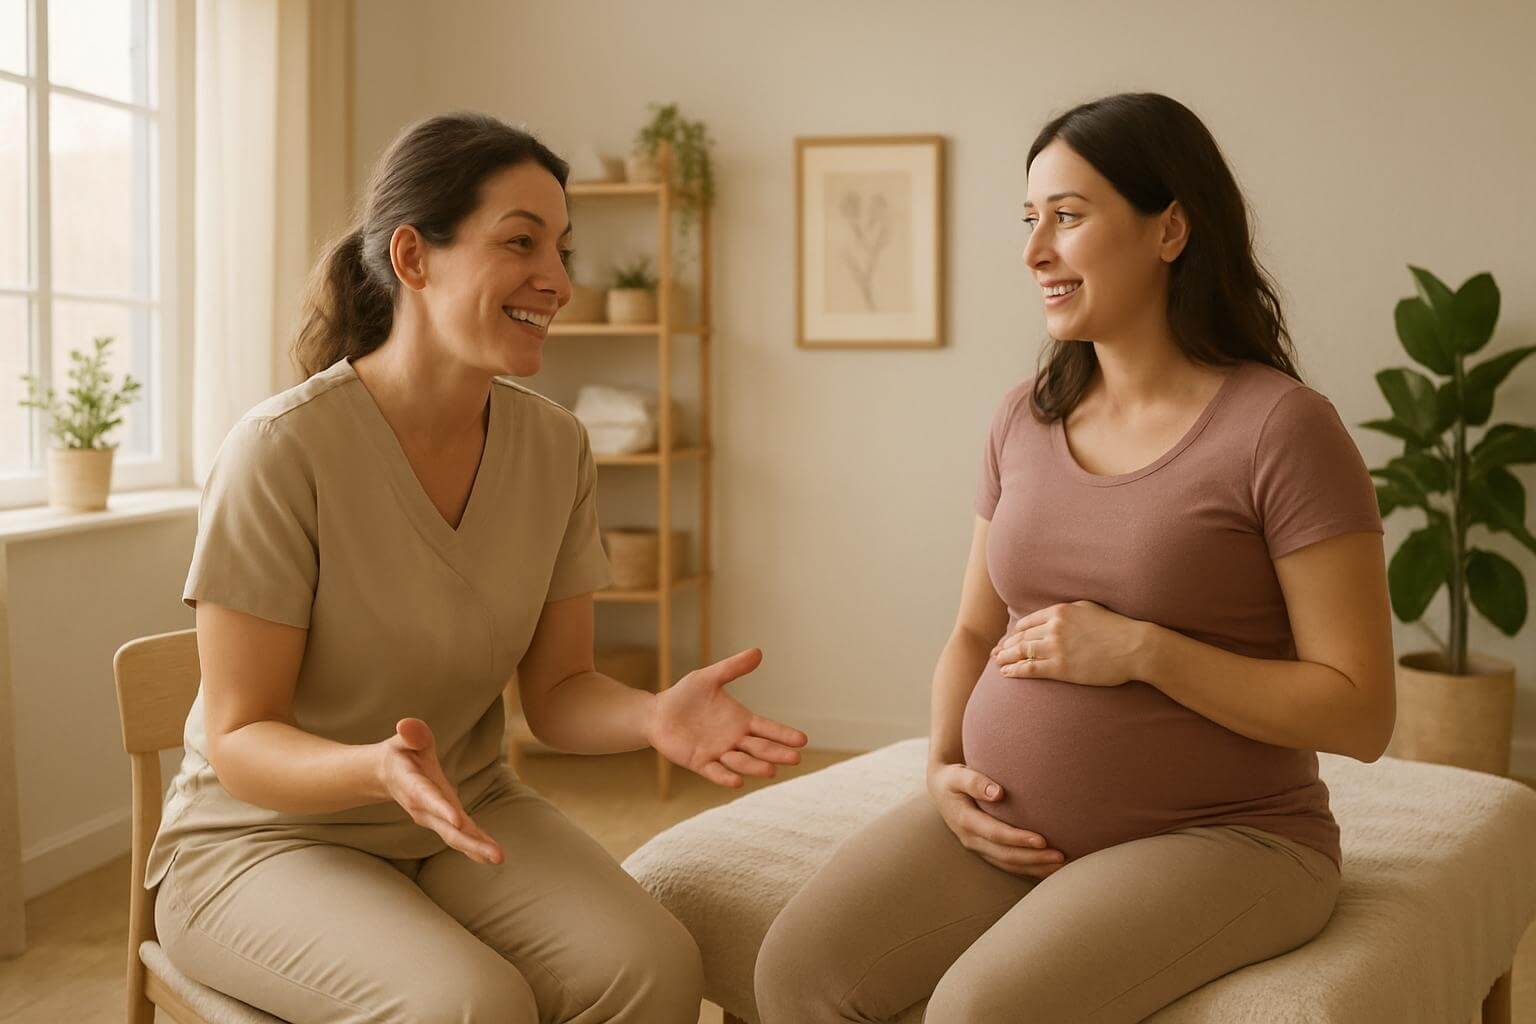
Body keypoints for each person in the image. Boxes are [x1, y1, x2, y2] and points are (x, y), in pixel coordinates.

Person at [146, 111, 807, 1024]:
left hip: (463, 809)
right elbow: (242, 739)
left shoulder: (555, 446)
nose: (559, 281)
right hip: (260, 843)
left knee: (654, 965)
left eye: (562, 249)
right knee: (468, 1006)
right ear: (414, 258)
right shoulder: (282, 450)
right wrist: (374, 769)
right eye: (521, 243)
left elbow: (561, 691)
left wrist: (653, 715)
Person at [754, 92, 1395, 1023]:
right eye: (1028, 219)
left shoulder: (1282, 430)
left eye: (1068, 216)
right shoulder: (1025, 416)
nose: (1034, 252)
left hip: (1229, 837)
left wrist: (1143, 651)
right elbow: (975, 628)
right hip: (1014, 824)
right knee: (799, 974)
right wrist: (941, 771)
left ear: (1169, 228)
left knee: (980, 1012)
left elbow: (1362, 710)